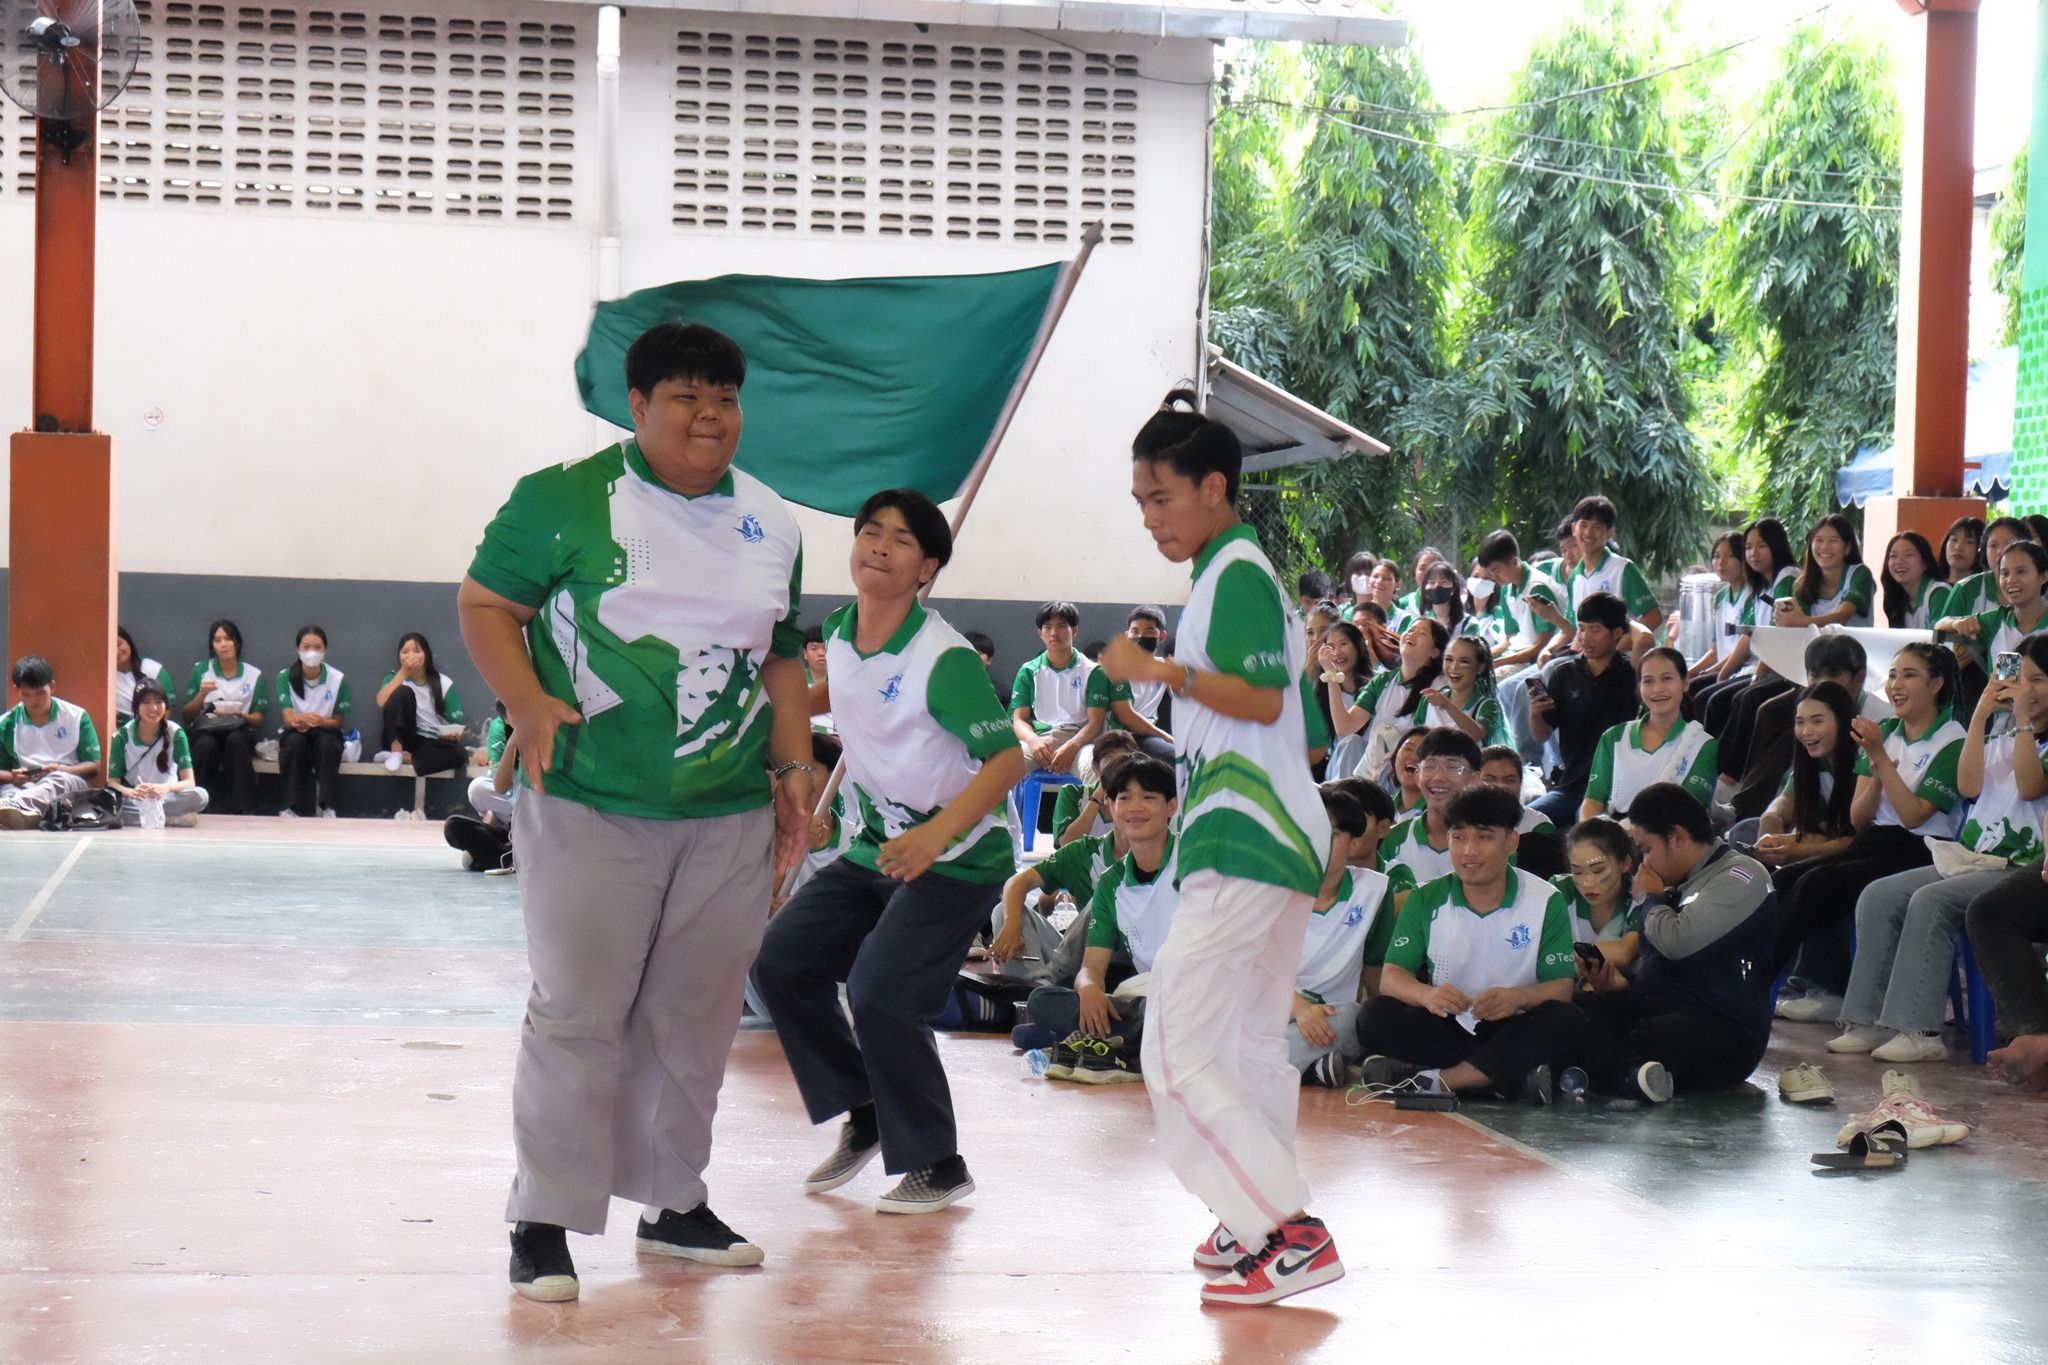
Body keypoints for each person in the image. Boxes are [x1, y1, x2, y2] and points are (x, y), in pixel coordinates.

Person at [458, 320, 816, 1300]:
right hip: (587, 803)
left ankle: (672, 1205)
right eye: (689, 396)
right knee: (577, 1014)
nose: (711, 416)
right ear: (640, 407)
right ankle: (543, 1219)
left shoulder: (773, 521)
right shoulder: (562, 500)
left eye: (726, 398)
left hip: (727, 815)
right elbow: (486, 603)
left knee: (693, 1018)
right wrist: (527, 703)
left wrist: (792, 772)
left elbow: (781, 655)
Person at [1093, 388, 1340, 1308]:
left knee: (1175, 1049)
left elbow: (1264, 700)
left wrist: (1158, 669)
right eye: (1140, 502)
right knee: (1239, 1046)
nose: (1150, 517)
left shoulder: (1235, 572)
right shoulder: (1230, 577)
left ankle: (1287, 1228)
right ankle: (1255, 1225)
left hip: (1246, 833)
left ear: (1214, 486)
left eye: (1161, 497)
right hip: (1270, 832)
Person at [751, 488, 1026, 1215]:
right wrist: (765, 709)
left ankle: (939, 1160)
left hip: (957, 854)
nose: (879, 545)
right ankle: (865, 1105)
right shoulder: (841, 633)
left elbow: (1007, 762)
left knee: (879, 990)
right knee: (779, 960)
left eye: (901, 541)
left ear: (926, 568)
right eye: (870, 531)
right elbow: (834, 693)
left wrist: (938, 833)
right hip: (879, 846)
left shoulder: (945, 660)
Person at [1829, 635, 2048, 1063]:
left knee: (1931, 901)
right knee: (1879, 895)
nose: (2026, 689)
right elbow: (1969, 786)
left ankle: (1919, 1030)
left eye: (2038, 680)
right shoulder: (1998, 735)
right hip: (1972, 859)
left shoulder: (2031, 737)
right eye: (2019, 680)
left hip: (2018, 865)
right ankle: (1867, 1019)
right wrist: (1984, 713)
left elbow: (2029, 786)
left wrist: (2021, 718)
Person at [1354, 785, 1584, 1104]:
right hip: (1449, 1024)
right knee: (1374, 1015)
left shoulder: (1546, 900)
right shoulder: (1425, 898)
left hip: (1514, 1024)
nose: (1468, 851)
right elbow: (1391, 978)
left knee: (1567, 1020)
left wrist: (1516, 997)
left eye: (1484, 837)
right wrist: (1428, 995)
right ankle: (1502, 1078)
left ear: (1511, 841)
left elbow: (1560, 989)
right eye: (1458, 837)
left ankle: (1443, 1079)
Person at [1773, 642, 1965, 1022]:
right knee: (1786, 879)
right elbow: (1858, 820)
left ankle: (1786, 979)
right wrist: (1876, 779)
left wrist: (1879, 760)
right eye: (1892, 674)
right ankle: (1768, 974)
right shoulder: (1886, 731)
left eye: (1909, 675)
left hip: (1925, 849)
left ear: (1937, 684)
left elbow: (1913, 817)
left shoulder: (1954, 741)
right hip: (1876, 839)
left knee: (1819, 884)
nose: (1896, 684)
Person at [1572, 783, 1777, 1098]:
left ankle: (1589, 1073)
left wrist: (1650, 900)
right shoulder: (1674, 881)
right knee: (1571, 1011)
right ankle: (1621, 1075)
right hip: (1660, 1007)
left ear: (1677, 836)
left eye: (1648, 849)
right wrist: (1621, 985)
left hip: (1726, 1031)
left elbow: (1679, 944)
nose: (1645, 863)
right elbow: (1659, 967)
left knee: (1656, 1038)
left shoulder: (1741, 875)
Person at [1023, 755, 1179, 1083]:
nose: (1135, 807)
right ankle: (1127, 1046)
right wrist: (1089, 989)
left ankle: (1113, 1045)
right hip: (1142, 998)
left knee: (1163, 1012)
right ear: (1110, 806)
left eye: (1149, 797)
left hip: (1192, 993)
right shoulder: (1112, 882)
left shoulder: (1193, 865)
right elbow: (1091, 967)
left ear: (1172, 806)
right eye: (1124, 798)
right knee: (1042, 1000)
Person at [1293, 786, 1398, 1087]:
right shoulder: (1270, 888)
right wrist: (1299, 1009)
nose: (1319, 843)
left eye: (1333, 834)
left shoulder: (1375, 890)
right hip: (1272, 1006)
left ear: (1353, 844)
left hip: (1332, 1015)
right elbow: (1253, 967)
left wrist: (1385, 1024)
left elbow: (1375, 967)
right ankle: (1311, 1065)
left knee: (1355, 1018)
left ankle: (1250, 1065)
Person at [1722, 634, 1883, 823]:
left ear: (1860, 677)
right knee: (1770, 711)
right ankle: (1742, 806)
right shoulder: (1810, 713)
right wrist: (1772, 817)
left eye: (1833, 676)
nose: (1821, 684)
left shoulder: (1878, 719)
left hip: (1857, 819)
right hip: (1814, 807)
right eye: (1814, 676)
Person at [1526, 592, 1638, 826]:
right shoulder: (1564, 674)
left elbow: (1645, 638)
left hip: (1616, 792)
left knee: (1587, 828)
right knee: (1524, 821)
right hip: (1571, 786)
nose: (1585, 637)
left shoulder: (1632, 676)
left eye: (1595, 630)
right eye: (1582, 628)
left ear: (1617, 633)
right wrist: (1535, 713)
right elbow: (1541, 734)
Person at [1580, 647, 1717, 821]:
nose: (1657, 689)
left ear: (1685, 683)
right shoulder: (1614, 737)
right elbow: (1593, 801)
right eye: (1648, 681)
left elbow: (1688, 813)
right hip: (1615, 838)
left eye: (1666, 679)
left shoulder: (1702, 744)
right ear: (1639, 687)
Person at [1749, 681, 1865, 867]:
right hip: (1830, 837)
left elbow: (1856, 838)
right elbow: (1787, 802)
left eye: (1817, 721)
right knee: (1744, 831)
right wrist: (1771, 821)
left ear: (1842, 721)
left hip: (1861, 850)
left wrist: (1799, 853)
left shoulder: (1864, 759)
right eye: (1800, 722)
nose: (1806, 731)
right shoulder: (1812, 761)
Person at [1339, 618, 1447, 783]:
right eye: (1410, 629)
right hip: (1372, 766)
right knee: (1351, 742)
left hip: (1409, 772)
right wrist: (1331, 679)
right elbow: (1345, 727)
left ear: (1435, 652)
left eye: (1422, 633)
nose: (1412, 634)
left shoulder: (1439, 688)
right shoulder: (1383, 681)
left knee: (1387, 738)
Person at [0, 656, 102, 829]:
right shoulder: (6, 724)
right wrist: (12, 777)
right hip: (23, 784)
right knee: (8, 790)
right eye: (27, 695)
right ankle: (22, 813)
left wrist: (61, 769)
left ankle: (19, 809)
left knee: (56, 781)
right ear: (17, 691)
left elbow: (94, 766)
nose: (34, 701)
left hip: (67, 779)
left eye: (40, 693)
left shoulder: (76, 716)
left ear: (52, 687)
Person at [1379, 728, 1484, 892]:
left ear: (1475, 779)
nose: (1438, 777)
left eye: (1452, 767)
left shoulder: (1494, 841)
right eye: (1430, 766)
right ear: (1417, 776)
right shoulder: (1393, 840)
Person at [182, 619, 265, 815]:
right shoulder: (201, 670)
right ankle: (195, 806)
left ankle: (244, 809)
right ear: (212, 645)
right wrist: (201, 694)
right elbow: (187, 715)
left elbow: (258, 718)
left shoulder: (254, 675)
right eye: (217, 640)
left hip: (239, 729)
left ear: (237, 643)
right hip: (207, 729)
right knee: (205, 746)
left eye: (227, 639)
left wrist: (240, 714)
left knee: (236, 742)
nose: (223, 644)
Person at [273, 625, 350, 819]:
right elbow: (288, 720)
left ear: (325, 650)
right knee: (293, 744)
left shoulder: (337, 679)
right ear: (298, 649)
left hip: (325, 731)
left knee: (327, 745)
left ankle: (328, 807)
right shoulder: (285, 677)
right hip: (296, 731)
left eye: (317, 647)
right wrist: (301, 719)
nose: (312, 653)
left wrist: (320, 721)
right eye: (306, 647)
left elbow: (338, 722)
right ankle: (289, 807)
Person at [106, 682, 208, 827]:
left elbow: (189, 782)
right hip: (137, 798)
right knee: (110, 803)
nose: (153, 708)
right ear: (136, 707)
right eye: (146, 702)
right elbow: (113, 783)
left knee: (200, 796)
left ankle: (148, 818)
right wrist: (131, 792)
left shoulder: (176, 733)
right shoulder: (122, 736)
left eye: (158, 702)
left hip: (167, 796)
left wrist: (164, 789)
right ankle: (168, 819)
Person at [1934, 539, 2048, 668]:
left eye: (2021, 571)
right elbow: (1940, 625)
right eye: (2004, 573)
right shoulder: (1997, 620)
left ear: (2043, 577)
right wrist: (1957, 623)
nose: (2011, 580)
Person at [1010, 602, 1094, 776]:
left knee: (1098, 768)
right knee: (1002, 766)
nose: (1054, 633)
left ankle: (1086, 804)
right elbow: (1018, 719)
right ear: (1040, 633)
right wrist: (1033, 741)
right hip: (1039, 740)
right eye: (1047, 627)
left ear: (1074, 630)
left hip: (1079, 743)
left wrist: (1072, 746)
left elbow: (1096, 724)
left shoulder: (1093, 671)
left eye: (1062, 627)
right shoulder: (1028, 671)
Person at [1561, 495, 1663, 633]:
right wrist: (1547, 651)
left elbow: (1654, 617)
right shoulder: (1574, 577)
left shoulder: (1623, 569)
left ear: (1610, 532)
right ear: (1574, 529)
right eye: (1583, 525)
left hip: (1620, 654)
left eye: (1596, 527)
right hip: (1586, 653)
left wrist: (1621, 644)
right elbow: (1574, 628)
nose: (1588, 532)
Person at [1082, 614, 1175, 763]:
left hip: (1148, 735)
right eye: (1135, 631)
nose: (1141, 636)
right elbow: (1127, 716)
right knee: (1174, 755)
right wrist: (1167, 737)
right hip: (1119, 737)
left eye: (1149, 631)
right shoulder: (1115, 670)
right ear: (1127, 636)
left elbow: (1184, 696)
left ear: (1162, 636)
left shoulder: (1163, 669)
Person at [375, 633, 468, 779]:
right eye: (405, 652)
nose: (411, 655)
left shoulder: (443, 683)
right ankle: (396, 752)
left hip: (430, 742)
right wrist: (404, 672)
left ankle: (408, 758)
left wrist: (454, 734)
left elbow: (458, 725)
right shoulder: (394, 678)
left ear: (426, 654)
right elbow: (381, 701)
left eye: (417, 651)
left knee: (459, 754)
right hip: (402, 736)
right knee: (401, 691)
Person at [1687, 534, 1758, 709]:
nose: (1721, 562)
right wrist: (1688, 672)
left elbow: (1742, 650)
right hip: (1724, 667)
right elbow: (1715, 650)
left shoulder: (1753, 595)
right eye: (1717, 556)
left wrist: (1708, 673)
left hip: (1744, 668)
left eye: (1730, 556)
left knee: (1701, 693)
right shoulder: (1720, 598)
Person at [1049, 729, 1140, 847]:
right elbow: (1067, 845)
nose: (1116, 768)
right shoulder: (1072, 794)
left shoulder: (1141, 799)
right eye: (1109, 761)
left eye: (1123, 762)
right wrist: (1098, 795)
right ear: (1096, 767)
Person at [1420, 636, 1508, 748]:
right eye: (1449, 659)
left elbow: (1476, 734)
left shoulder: (1488, 706)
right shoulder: (1429, 699)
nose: (1454, 667)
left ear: (1480, 668)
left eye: (1464, 661)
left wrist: (1447, 704)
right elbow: (1417, 736)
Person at [1314, 621, 1376, 779]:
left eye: (1343, 644)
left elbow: (1348, 729)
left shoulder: (1375, 686)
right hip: (1337, 766)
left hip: (1370, 766)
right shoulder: (1322, 693)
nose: (1337, 652)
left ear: (1357, 646)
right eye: (1331, 647)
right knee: (1350, 743)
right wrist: (1331, 677)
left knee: (1353, 741)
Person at [1880, 531, 1942, 631]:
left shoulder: (1938, 593)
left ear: (1925, 563)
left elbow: (1941, 641)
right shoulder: (1898, 599)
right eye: (1893, 556)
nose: (1899, 562)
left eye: (1908, 555)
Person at [114, 626, 174, 729]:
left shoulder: (152, 669)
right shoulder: (105, 678)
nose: (117, 651)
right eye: (111, 647)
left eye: (119, 644)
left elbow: (168, 707)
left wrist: (153, 732)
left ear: (128, 642)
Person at [1940, 515, 1987, 598]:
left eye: (1969, 542)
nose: (1958, 547)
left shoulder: (1983, 593)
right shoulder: (1935, 588)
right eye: (1954, 539)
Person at [801, 624, 835, 734]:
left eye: (824, 648)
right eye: (814, 648)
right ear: (805, 654)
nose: (821, 654)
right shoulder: (795, 684)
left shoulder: (842, 681)